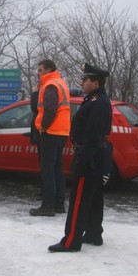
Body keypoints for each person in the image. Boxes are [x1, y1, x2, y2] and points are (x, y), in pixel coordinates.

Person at [48, 63, 112, 252]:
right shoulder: (96, 99)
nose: (82, 83)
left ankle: (71, 241)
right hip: (95, 155)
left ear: (96, 82)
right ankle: (93, 234)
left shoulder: (98, 102)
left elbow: (92, 135)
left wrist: (82, 160)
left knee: (79, 200)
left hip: (89, 156)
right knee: (93, 198)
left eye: (85, 80)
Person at [29, 59, 71, 217]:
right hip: (61, 132)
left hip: (51, 132)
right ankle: (59, 204)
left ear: (48, 69)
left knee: (48, 170)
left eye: (40, 70)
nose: (38, 73)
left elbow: (51, 109)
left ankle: (47, 206)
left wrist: (44, 127)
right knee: (57, 168)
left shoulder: (50, 85)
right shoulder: (60, 83)